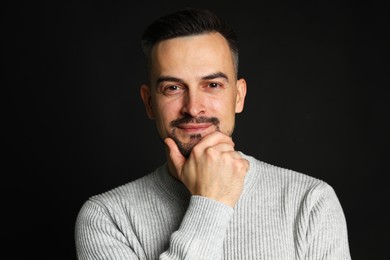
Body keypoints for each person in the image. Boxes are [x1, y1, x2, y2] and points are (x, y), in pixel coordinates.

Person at [75, 8, 351, 259]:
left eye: (212, 85)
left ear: (239, 96)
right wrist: (211, 203)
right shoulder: (106, 217)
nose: (193, 107)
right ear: (149, 103)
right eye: (173, 88)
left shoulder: (310, 201)